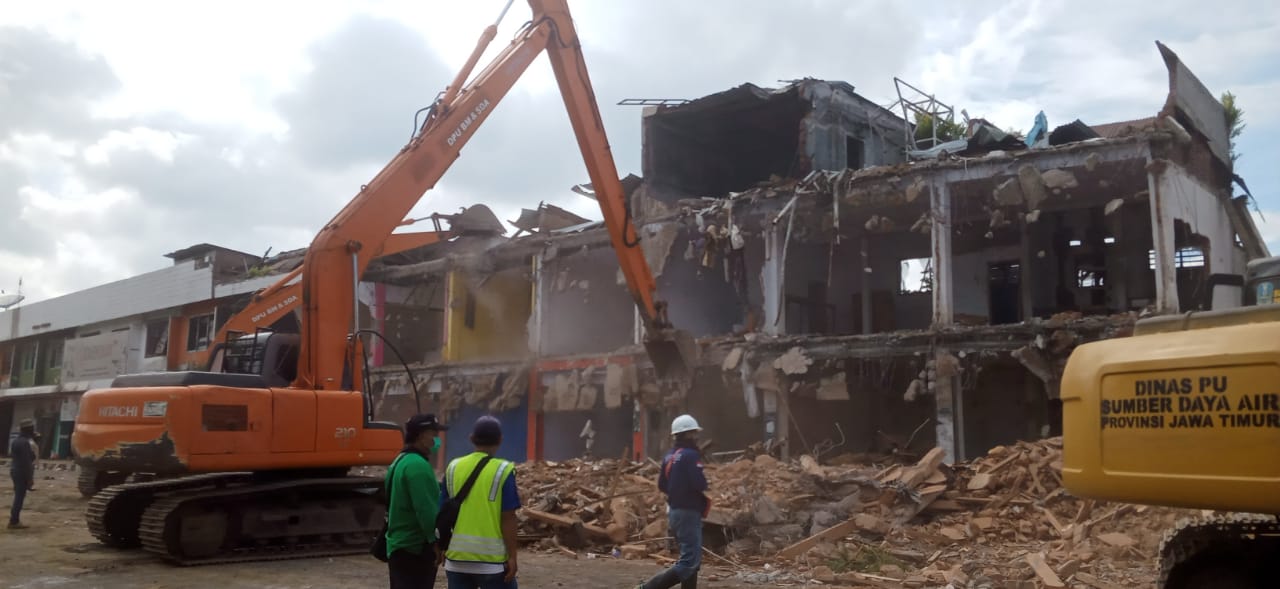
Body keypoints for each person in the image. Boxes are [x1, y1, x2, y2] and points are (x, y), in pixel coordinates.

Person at [441, 416, 520, 589]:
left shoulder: (453, 467)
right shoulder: (503, 470)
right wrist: (512, 556)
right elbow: (508, 517)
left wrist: (440, 547)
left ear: (471, 438)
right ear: (500, 440)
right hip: (491, 564)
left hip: (456, 560)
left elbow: (442, 512)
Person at [635, 414, 708, 589]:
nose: (697, 437)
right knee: (689, 562)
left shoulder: (669, 456)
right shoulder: (691, 455)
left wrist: (677, 493)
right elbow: (700, 483)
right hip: (689, 511)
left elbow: (662, 484)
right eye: (694, 433)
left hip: (674, 511)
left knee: (690, 560)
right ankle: (647, 588)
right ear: (688, 434)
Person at [386, 414, 449, 589]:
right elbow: (427, 511)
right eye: (434, 434)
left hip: (398, 545)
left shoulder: (399, 461)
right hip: (415, 548)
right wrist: (435, 542)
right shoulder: (418, 466)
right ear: (422, 435)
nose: (436, 440)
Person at [8, 419, 37, 529]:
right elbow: (27, 462)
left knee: (18, 495)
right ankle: (14, 521)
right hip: (21, 472)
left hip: (15, 470)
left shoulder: (16, 441)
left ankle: (14, 520)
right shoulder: (25, 442)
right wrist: (30, 478)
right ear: (29, 429)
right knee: (19, 497)